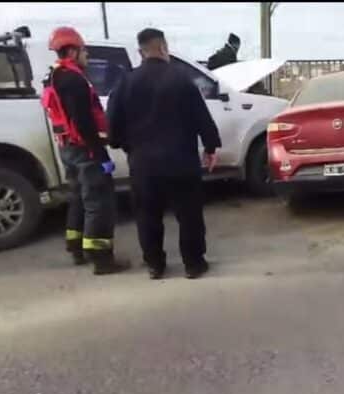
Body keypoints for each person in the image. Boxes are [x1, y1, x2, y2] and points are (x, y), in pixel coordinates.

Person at [107, 28, 221, 280]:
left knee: (147, 215)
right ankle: (193, 264)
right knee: (189, 214)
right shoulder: (181, 79)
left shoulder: (126, 83)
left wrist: (126, 146)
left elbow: (113, 126)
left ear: (141, 52)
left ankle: (155, 265)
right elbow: (201, 117)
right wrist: (211, 147)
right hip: (181, 160)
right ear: (163, 47)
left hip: (143, 163)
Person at [41, 26, 130, 275]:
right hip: (85, 150)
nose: (87, 55)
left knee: (79, 198)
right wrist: (100, 155)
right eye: (84, 50)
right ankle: (101, 259)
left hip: (68, 148)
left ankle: (76, 247)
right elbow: (83, 122)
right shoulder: (74, 80)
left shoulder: (54, 76)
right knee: (99, 202)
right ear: (72, 51)